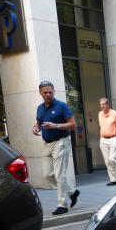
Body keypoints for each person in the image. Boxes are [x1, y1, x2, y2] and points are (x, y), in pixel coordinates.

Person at [33, 80, 79, 216]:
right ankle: (72, 191)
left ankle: (62, 204)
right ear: (40, 93)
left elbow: (73, 124)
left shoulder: (61, 106)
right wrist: (35, 127)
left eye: (50, 92)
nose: (48, 94)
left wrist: (56, 125)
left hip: (61, 142)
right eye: (45, 92)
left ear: (53, 92)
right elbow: (38, 122)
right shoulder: (40, 108)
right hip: (47, 143)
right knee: (47, 174)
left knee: (60, 175)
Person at [98, 98, 116, 186]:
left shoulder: (114, 113)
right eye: (100, 104)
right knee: (107, 161)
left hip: (113, 138)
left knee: (113, 158)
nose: (101, 106)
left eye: (103, 104)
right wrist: (101, 138)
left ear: (108, 105)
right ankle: (113, 179)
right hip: (103, 140)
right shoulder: (100, 114)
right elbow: (101, 127)